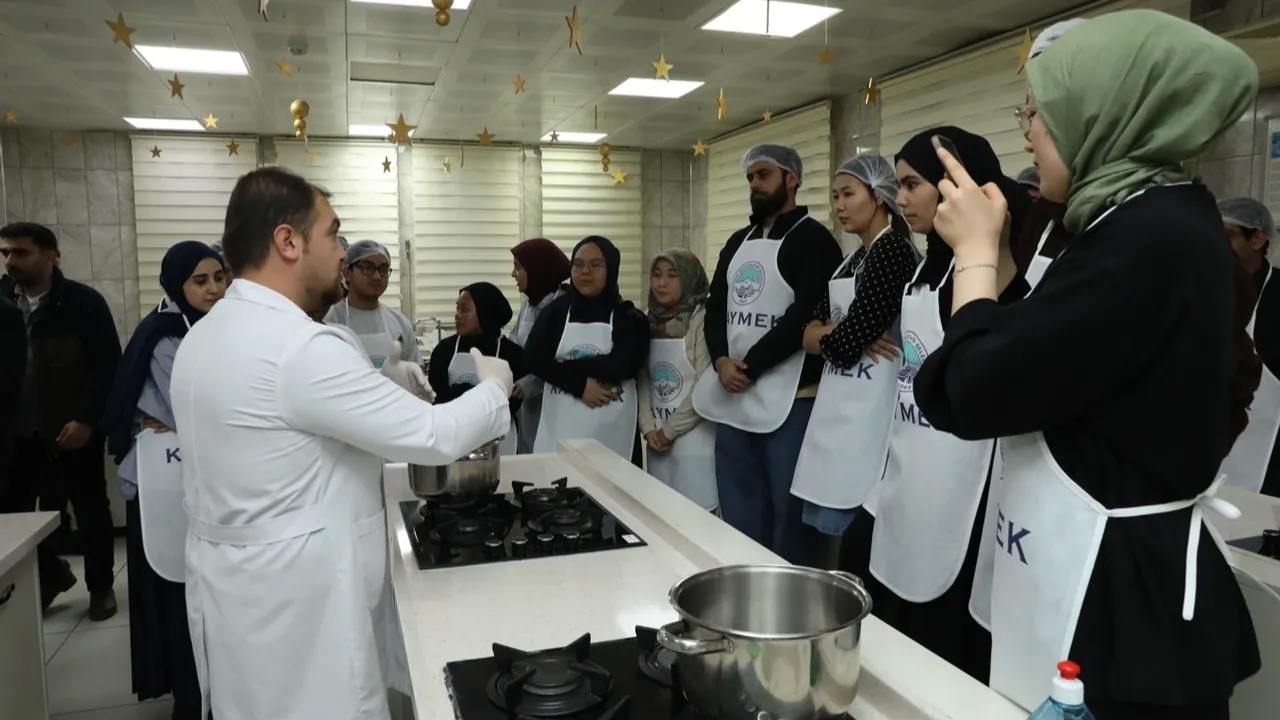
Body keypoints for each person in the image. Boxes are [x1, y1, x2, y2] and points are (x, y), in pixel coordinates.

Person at [914, 11, 1261, 717]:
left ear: (1104, 113)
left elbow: (969, 391)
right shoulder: (1160, 216)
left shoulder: (1144, 236)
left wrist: (974, 257)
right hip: (1120, 575)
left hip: (1121, 610)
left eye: (1040, 114)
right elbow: (1056, 359)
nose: (1028, 134)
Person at [171, 167, 514, 720]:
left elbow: (291, 430)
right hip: (305, 603)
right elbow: (435, 436)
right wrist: (495, 389)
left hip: (239, 592)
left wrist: (379, 385)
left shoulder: (206, 334)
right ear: (288, 241)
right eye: (333, 234)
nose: (341, 252)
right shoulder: (299, 346)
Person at [840, 127, 1032, 682]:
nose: (900, 198)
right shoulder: (924, 272)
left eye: (912, 184)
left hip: (960, 486)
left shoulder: (996, 272)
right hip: (905, 475)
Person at [693, 144, 843, 565]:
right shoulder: (737, 241)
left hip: (793, 400)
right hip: (734, 397)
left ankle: (790, 600)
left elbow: (804, 316)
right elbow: (715, 308)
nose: (755, 184)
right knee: (740, 513)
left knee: (789, 518)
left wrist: (751, 366)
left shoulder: (815, 241)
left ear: (791, 179)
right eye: (750, 178)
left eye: (764, 175)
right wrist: (721, 361)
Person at [100, 241, 226, 720]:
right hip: (160, 488)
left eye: (220, 277)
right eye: (200, 281)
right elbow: (198, 407)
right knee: (174, 591)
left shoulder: (212, 328)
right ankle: (189, 699)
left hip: (197, 479)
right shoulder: (165, 335)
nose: (213, 289)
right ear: (176, 285)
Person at [791, 154, 919, 554]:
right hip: (839, 407)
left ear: (878, 196)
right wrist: (841, 332)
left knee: (858, 537)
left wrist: (839, 335)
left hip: (873, 410)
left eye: (848, 194)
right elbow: (806, 336)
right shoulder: (853, 260)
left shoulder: (893, 251)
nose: (839, 206)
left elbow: (844, 347)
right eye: (835, 196)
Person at [0, 222, 121, 619]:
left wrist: (86, 420)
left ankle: (101, 588)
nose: (10, 261)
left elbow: (106, 367)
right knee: (13, 517)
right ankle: (50, 576)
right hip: (16, 433)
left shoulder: (82, 304)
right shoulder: (2, 301)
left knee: (90, 510)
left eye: (21, 252)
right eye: (5, 253)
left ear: (51, 256)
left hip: (72, 430)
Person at [525, 236, 648, 459]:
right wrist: (579, 385)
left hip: (613, 431)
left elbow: (622, 365)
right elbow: (534, 358)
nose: (585, 272)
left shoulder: (629, 317)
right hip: (560, 428)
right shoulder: (555, 313)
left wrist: (564, 365)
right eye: (578, 264)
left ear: (612, 269)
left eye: (595, 265)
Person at [637, 249, 717, 510]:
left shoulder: (703, 319)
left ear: (689, 278)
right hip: (657, 445)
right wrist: (648, 428)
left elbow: (704, 384)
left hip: (697, 443)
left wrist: (669, 432)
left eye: (672, 275)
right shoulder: (647, 319)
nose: (662, 283)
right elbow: (643, 378)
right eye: (657, 275)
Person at [1219, 197, 1280, 497]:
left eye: (1226, 237)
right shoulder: (1203, 288)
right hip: (1205, 443)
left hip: (1269, 457)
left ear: (1257, 239)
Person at [429, 282, 523, 454]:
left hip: (499, 441)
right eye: (457, 308)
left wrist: (460, 393)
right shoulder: (444, 350)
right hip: (454, 437)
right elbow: (437, 398)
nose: (457, 315)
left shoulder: (512, 353)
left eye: (465, 310)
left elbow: (511, 403)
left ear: (485, 312)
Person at [508, 238, 570, 453]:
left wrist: (530, 383)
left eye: (518, 267)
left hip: (555, 401)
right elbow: (515, 342)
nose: (513, 274)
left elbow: (563, 360)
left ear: (537, 269)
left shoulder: (563, 307)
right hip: (527, 404)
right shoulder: (529, 303)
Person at [324, 239, 422, 371]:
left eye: (383, 269)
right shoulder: (330, 321)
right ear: (347, 273)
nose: (377, 276)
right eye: (367, 268)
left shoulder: (400, 324)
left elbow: (415, 371)